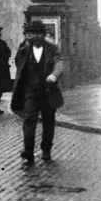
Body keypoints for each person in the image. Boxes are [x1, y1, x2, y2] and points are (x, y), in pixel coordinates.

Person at [11, 20, 64, 165]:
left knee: (48, 121)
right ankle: (28, 151)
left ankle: (46, 150)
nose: (36, 37)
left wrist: (54, 75)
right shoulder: (24, 51)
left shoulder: (53, 48)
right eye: (33, 34)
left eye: (39, 34)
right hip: (30, 92)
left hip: (47, 91)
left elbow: (59, 63)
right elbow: (19, 65)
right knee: (29, 120)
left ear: (43, 35)